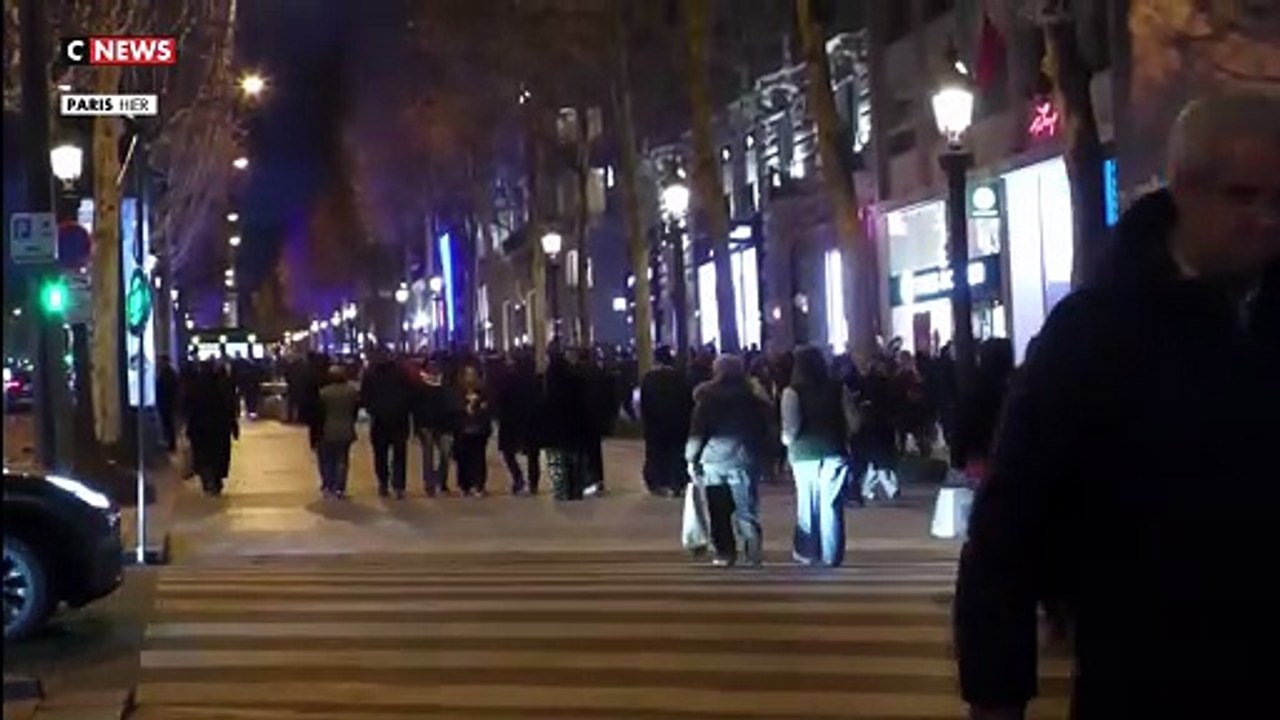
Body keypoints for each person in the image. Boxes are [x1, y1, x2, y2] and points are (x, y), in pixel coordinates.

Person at [955, 93, 1280, 719]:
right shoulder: (1095, 333)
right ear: (1185, 188)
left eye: (1278, 198)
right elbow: (1008, 526)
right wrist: (997, 697)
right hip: (1149, 681)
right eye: (1242, 196)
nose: (1265, 219)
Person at [685, 354, 773, 567]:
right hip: (744, 458)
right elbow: (766, 427)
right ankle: (752, 552)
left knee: (718, 510)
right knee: (746, 509)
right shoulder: (752, 398)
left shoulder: (706, 398)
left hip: (714, 460)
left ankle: (725, 553)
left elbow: (697, 432)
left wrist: (691, 457)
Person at [781, 346, 859, 567]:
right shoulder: (838, 388)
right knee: (831, 504)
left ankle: (808, 551)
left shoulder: (792, 392)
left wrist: (786, 442)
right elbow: (854, 421)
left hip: (804, 453)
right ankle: (831, 554)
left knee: (807, 504)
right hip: (834, 450)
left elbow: (790, 428)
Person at [360, 349, 414, 499]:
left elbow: (365, 397)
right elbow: (411, 394)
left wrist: (373, 409)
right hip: (399, 419)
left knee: (380, 454)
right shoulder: (401, 374)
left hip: (380, 420)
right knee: (399, 454)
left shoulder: (370, 375)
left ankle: (383, 482)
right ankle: (398, 485)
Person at [639, 346, 693, 497]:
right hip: (678, 423)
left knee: (657, 453)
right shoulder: (681, 377)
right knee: (677, 452)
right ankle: (677, 481)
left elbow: (645, 403)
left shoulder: (649, 378)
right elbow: (688, 401)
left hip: (656, 424)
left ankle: (659, 481)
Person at [185, 360, 239, 496]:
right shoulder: (222, 385)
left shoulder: (196, 386)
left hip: (200, 427)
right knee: (218, 455)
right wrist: (233, 425)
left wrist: (189, 428)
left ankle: (208, 479)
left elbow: (189, 407)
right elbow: (229, 406)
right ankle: (216, 479)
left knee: (203, 455)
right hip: (219, 427)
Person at [316, 364, 359, 498]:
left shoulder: (324, 393)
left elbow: (319, 413)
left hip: (328, 429)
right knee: (343, 459)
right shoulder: (351, 391)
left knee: (328, 459)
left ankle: (329, 484)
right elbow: (355, 409)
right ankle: (340, 487)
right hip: (346, 428)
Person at [453, 363, 492, 497]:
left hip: (479, 429)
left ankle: (479, 485)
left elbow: (488, 407)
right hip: (463, 429)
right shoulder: (458, 391)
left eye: (473, 374)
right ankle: (465, 485)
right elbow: (455, 407)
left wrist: (479, 408)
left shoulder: (483, 391)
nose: (470, 377)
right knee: (463, 458)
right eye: (467, 374)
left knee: (479, 457)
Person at [155, 354, 179, 452]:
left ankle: (171, 444)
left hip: (167, 402)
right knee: (167, 424)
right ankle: (170, 443)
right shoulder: (168, 373)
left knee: (168, 424)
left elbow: (169, 389)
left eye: (161, 361)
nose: (159, 363)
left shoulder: (168, 374)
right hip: (166, 402)